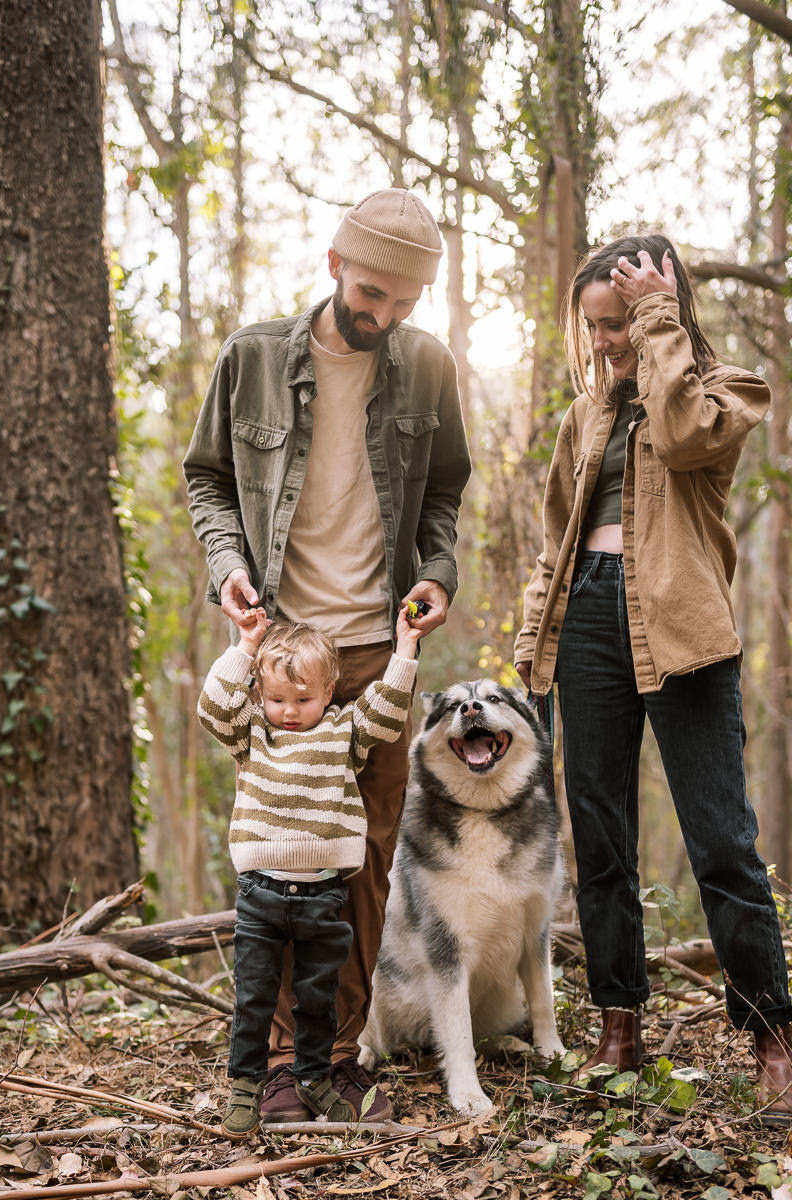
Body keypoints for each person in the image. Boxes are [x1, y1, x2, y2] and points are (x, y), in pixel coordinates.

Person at [183, 188, 471, 1122]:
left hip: (378, 656)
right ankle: (272, 1067)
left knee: (363, 859)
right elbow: (208, 478)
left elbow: (444, 497)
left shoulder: (427, 369)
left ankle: (335, 1062)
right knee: (277, 857)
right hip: (282, 658)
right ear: (334, 264)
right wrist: (229, 568)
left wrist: (435, 574)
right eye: (371, 292)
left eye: (403, 303)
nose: (383, 316)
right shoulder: (253, 358)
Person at [513, 233, 792, 1123]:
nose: (606, 342)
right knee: (599, 835)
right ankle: (619, 1025)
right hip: (587, 619)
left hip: (683, 631)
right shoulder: (584, 413)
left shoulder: (724, 391)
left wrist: (658, 322)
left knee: (722, 841)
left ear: (663, 309)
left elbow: (678, 441)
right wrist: (533, 633)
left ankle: (771, 1036)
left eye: (622, 323)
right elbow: (557, 534)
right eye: (596, 326)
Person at [198, 606, 422, 1137]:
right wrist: (247, 646)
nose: (290, 712)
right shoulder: (251, 732)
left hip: (324, 895)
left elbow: (387, 711)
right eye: (277, 700)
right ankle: (247, 1086)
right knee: (255, 995)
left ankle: (316, 1076)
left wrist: (405, 649)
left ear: (330, 694)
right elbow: (212, 707)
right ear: (259, 696)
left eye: (303, 700)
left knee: (318, 994)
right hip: (260, 895)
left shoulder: (346, 731)